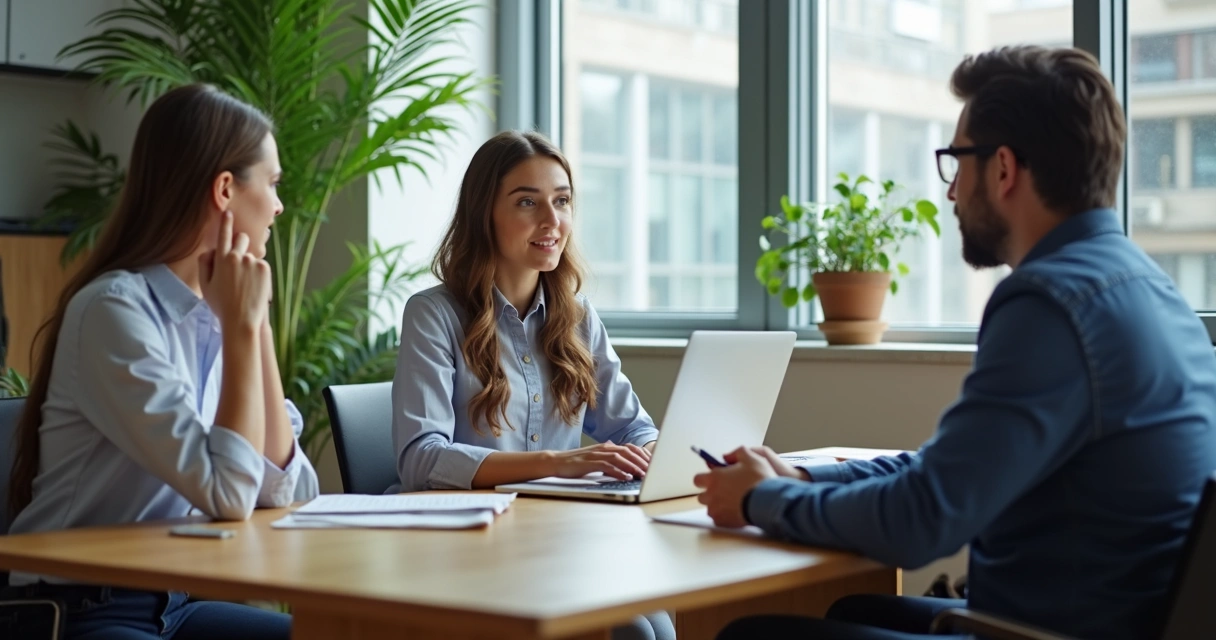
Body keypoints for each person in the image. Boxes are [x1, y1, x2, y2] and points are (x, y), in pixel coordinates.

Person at [696, 46, 1216, 640]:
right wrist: (805, 480)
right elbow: (949, 470)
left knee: (753, 635)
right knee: (851, 611)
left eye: (955, 162)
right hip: (1101, 620)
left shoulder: (1048, 302)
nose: (949, 193)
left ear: (1002, 169)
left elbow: (923, 520)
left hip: (1038, 632)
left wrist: (763, 502)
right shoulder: (1151, 289)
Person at [2, 83, 319, 640]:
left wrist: (256, 321)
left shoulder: (218, 310)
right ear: (225, 189)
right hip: (76, 612)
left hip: (170, 604)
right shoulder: (115, 313)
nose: (278, 205)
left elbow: (291, 493)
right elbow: (228, 495)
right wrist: (243, 328)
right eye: (270, 183)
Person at [392, 130, 674, 640]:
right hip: (472, 546)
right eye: (528, 202)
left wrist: (653, 455)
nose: (552, 222)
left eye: (562, 201)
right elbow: (421, 460)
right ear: (486, 215)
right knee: (633, 629)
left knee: (658, 619)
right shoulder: (434, 315)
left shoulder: (577, 315)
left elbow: (634, 426)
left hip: (558, 538)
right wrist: (557, 465)